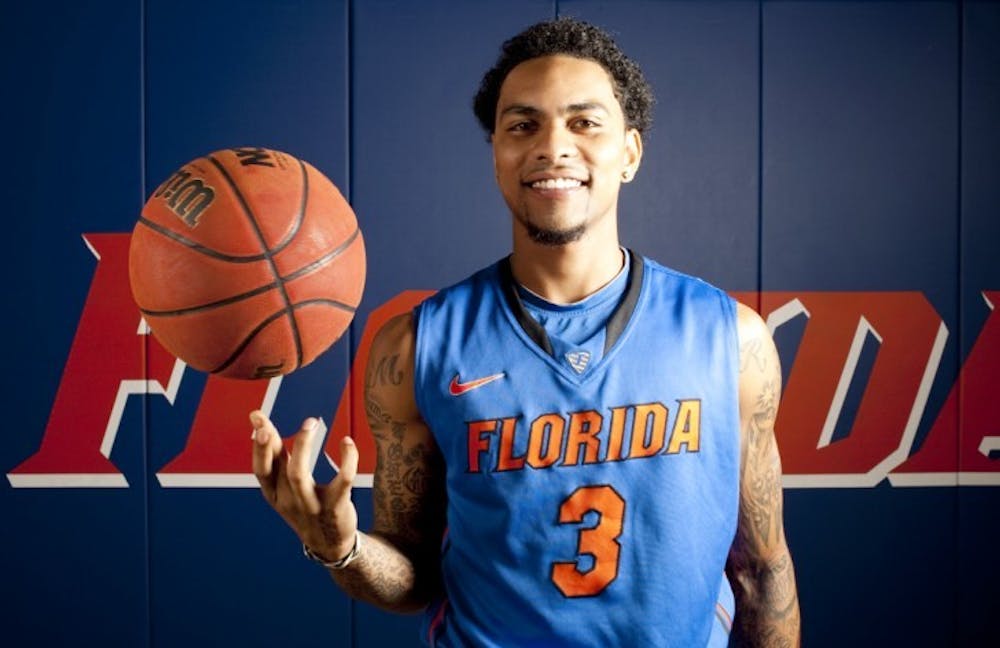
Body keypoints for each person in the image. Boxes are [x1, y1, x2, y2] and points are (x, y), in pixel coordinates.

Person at [251, 17, 800, 647]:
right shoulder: (416, 347)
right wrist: (341, 547)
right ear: (497, 156)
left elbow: (763, 572)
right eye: (522, 125)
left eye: (584, 122)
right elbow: (413, 574)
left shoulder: (732, 342)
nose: (552, 146)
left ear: (629, 153)